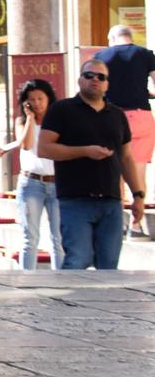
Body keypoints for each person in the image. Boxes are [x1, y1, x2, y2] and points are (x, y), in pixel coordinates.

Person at [39, 63, 145, 269]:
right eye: (89, 75)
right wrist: (85, 151)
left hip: (111, 200)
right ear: (80, 80)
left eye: (101, 77)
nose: (95, 80)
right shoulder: (62, 109)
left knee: (109, 265)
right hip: (75, 199)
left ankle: (101, 302)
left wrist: (138, 195)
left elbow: (127, 158)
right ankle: (67, 302)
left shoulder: (117, 114)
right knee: (78, 259)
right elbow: (44, 149)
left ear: (107, 84)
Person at [0, 79, 61, 270]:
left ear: (48, 98)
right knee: (30, 237)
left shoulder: (58, 120)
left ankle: (64, 277)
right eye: (32, 100)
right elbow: (26, 144)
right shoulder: (22, 121)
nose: (37, 103)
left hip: (57, 182)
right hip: (31, 183)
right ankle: (27, 278)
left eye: (41, 98)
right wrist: (30, 118)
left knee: (58, 237)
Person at [94, 25, 154, 199]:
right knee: (139, 170)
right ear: (130, 37)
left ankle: (118, 216)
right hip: (142, 116)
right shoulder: (145, 54)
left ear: (111, 39)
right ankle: (137, 222)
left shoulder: (101, 57)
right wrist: (145, 93)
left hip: (113, 117)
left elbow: (96, 90)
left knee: (116, 170)